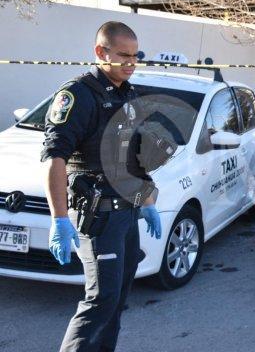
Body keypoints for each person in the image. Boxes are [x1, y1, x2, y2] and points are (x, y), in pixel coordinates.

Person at [42, 22, 164, 351]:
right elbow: (55, 159)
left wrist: (149, 203)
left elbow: (133, 159)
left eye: (135, 56)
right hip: (99, 219)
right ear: (101, 52)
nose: (131, 63)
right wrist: (59, 218)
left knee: (116, 302)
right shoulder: (79, 95)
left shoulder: (130, 95)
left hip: (127, 216)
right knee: (99, 302)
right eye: (123, 56)